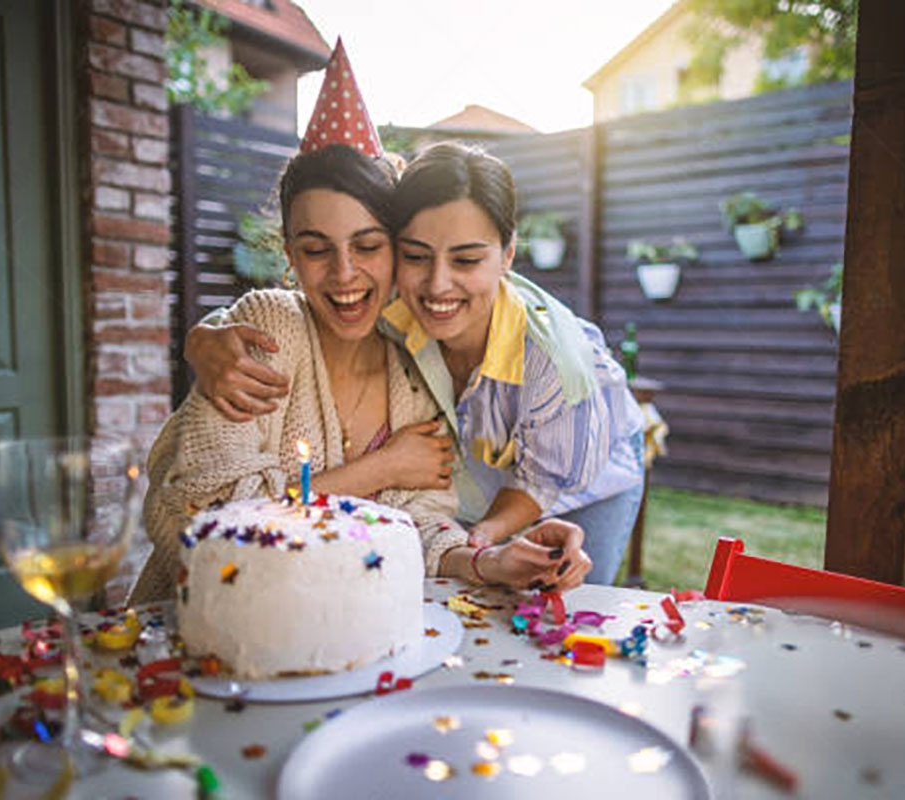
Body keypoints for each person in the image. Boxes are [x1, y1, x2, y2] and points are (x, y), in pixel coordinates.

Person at [129, 43, 590, 604]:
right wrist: (380, 467)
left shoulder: (416, 358)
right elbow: (199, 518)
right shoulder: (264, 333)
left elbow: (420, 524)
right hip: (207, 626)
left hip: (336, 637)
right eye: (316, 249)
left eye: (368, 245)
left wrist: (488, 561)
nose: (344, 275)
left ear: (397, 251)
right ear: (289, 257)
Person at [185, 140, 644, 585]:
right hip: (477, 472)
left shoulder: (554, 367)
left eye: (465, 259)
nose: (437, 285)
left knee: (565, 599)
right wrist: (202, 338)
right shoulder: (389, 307)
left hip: (582, 475)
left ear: (507, 254)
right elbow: (299, 306)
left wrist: (478, 541)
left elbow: (539, 486)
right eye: (416, 256)